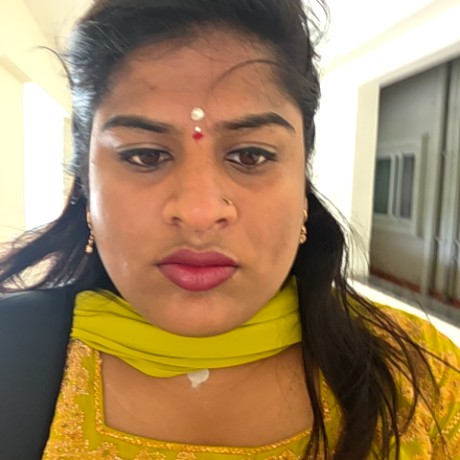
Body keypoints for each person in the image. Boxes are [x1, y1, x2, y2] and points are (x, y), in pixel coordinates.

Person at [0, 0, 459, 459]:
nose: (200, 213)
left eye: (250, 155)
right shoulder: (11, 353)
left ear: (303, 183)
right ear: (86, 186)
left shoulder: (428, 382)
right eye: (145, 155)